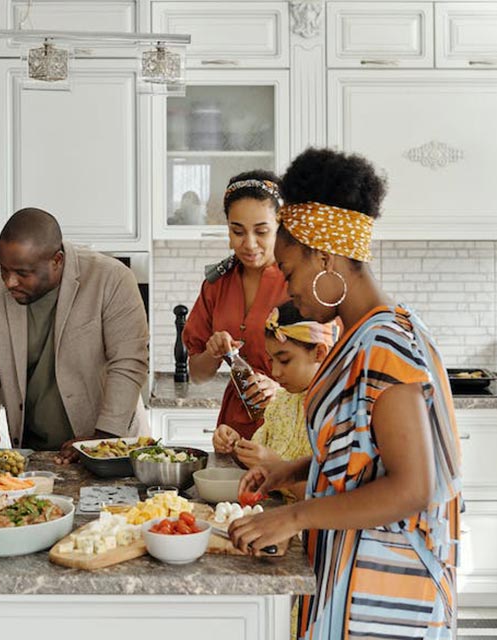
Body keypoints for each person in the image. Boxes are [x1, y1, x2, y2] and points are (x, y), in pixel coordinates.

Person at [230, 148, 462, 639]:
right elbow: (363, 455)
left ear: (325, 257)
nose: (286, 288)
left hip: (387, 599)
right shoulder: (367, 334)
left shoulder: (384, 345)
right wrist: (293, 470)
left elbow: (412, 487)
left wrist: (293, 516)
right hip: (356, 574)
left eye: (289, 270)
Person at [0, 208, 149, 463]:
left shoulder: (111, 279)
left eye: (22, 273)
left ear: (57, 260)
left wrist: (101, 441)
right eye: (4, 269)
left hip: (111, 445)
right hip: (36, 452)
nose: (9, 282)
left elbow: (129, 363)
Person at [183, 171, 290, 439]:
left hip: (290, 428)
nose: (249, 244)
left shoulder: (298, 283)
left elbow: (328, 368)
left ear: (281, 226)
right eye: (237, 231)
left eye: (262, 231)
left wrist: (280, 390)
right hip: (234, 431)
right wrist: (213, 352)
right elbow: (197, 374)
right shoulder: (216, 284)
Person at [212, 301, 337, 498]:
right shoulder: (280, 403)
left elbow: (333, 498)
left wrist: (276, 468)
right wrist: (236, 444)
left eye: (285, 360)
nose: (275, 372)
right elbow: (260, 460)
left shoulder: (338, 410)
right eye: (271, 360)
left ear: (320, 353)